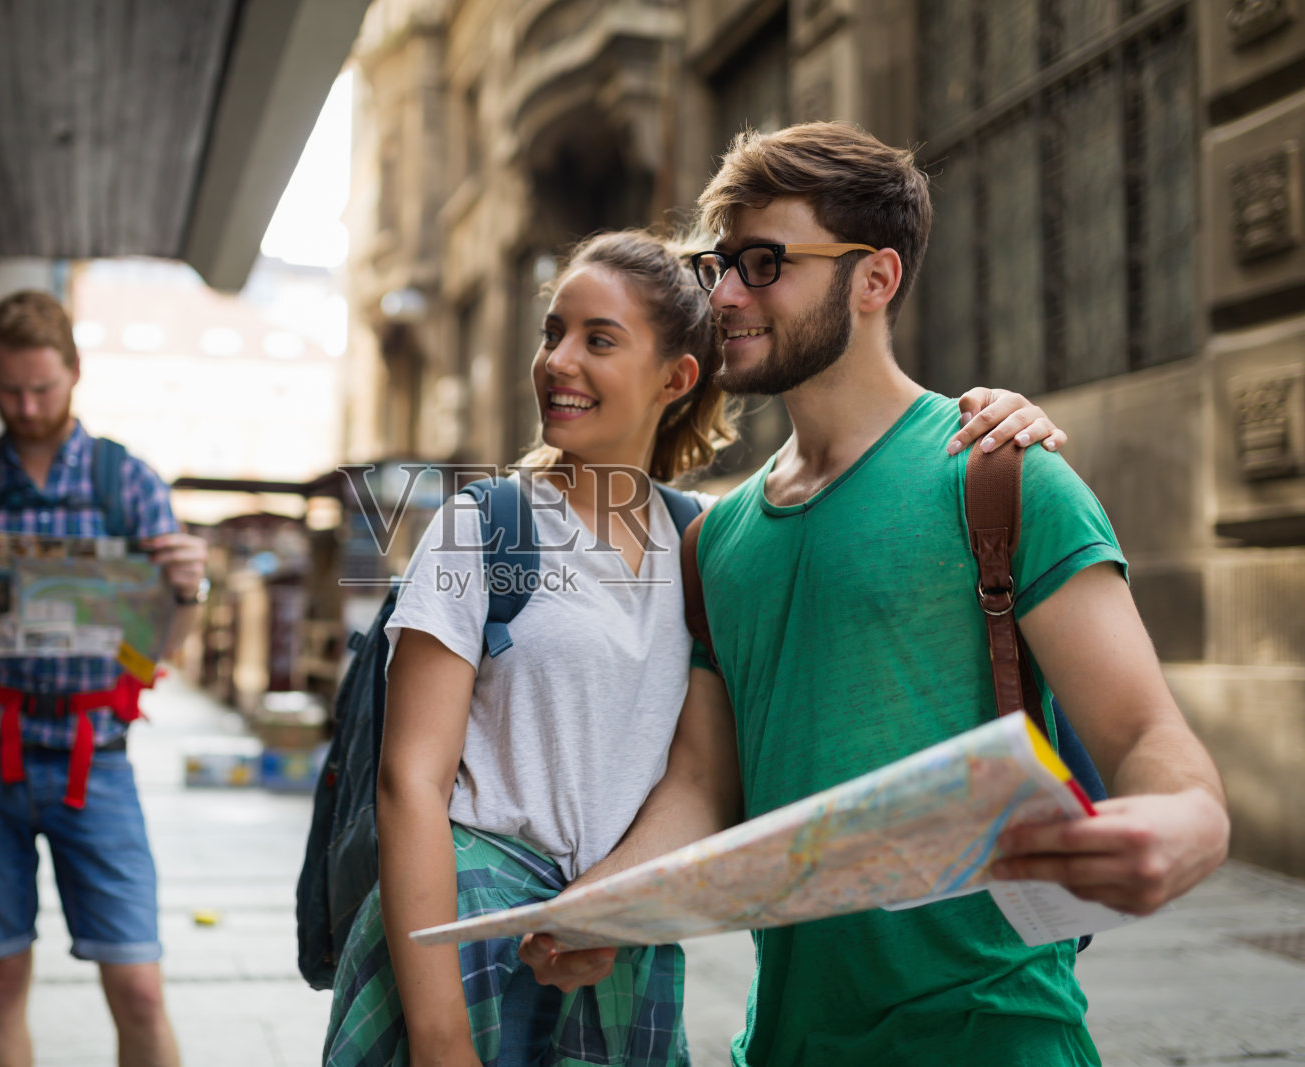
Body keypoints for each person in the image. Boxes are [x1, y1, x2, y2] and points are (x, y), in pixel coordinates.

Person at [521, 123, 1231, 1067]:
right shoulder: (716, 542)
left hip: (995, 1037)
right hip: (781, 1044)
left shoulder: (1000, 477)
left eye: (765, 262)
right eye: (718, 264)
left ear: (875, 280)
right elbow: (704, 781)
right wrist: (605, 904)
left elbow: (1151, 743)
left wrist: (1181, 828)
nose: (726, 295)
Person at [322, 230, 1067, 1067]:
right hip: (459, 945)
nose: (559, 361)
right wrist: (440, 1038)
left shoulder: (707, 544)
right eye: (552, 333)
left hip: (619, 948)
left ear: (675, 379)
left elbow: (706, 772)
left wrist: (1002, 415)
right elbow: (408, 781)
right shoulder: (481, 524)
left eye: (598, 340)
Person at [0, 290, 207, 1067]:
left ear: (75, 373)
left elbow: (153, 655)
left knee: (139, 986)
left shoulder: (129, 484)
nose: (25, 406)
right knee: (0, 977)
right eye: (9, 390)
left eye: (42, 389)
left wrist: (189, 592)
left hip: (96, 757)